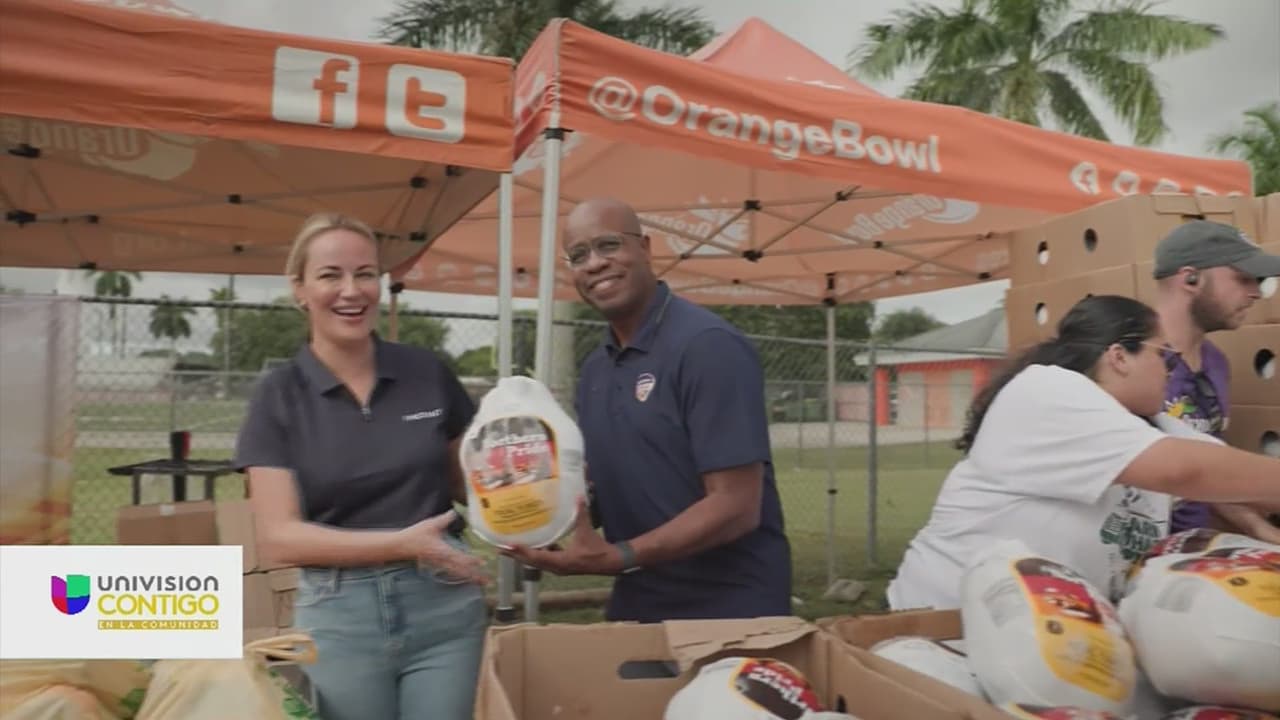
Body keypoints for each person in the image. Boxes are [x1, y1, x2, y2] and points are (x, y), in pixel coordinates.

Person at [232, 213, 489, 720]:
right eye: (331, 275)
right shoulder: (278, 396)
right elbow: (279, 538)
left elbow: (473, 489)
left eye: (365, 273)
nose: (352, 290)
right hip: (339, 615)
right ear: (300, 288)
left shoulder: (427, 374)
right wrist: (400, 543)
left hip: (442, 605)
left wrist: (537, 493)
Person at [886, 295, 1280, 611]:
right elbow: (1183, 470)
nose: (1169, 371)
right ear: (1119, 356)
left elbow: (1232, 477)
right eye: (1165, 356)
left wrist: (1259, 527)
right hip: (945, 623)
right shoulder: (1047, 391)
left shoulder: (1153, 423)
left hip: (1047, 633)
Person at [505, 197, 793, 622]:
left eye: (608, 245)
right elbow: (609, 487)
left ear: (646, 248)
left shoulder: (707, 346)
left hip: (733, 607)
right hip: (641, 600)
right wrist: (535, 514)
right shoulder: (597, 369)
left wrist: (619, 556)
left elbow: (736, 506)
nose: (595, 264)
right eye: (578, 256)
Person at [1149, 219, 1280, 538]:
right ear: (1190, 278)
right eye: (1243, 278)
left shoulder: (1216, 363)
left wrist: (1263, 534)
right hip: (1143, 557)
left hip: (1198, 549)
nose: (1255, 293)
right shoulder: (1132, 362)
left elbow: (1210, 478)